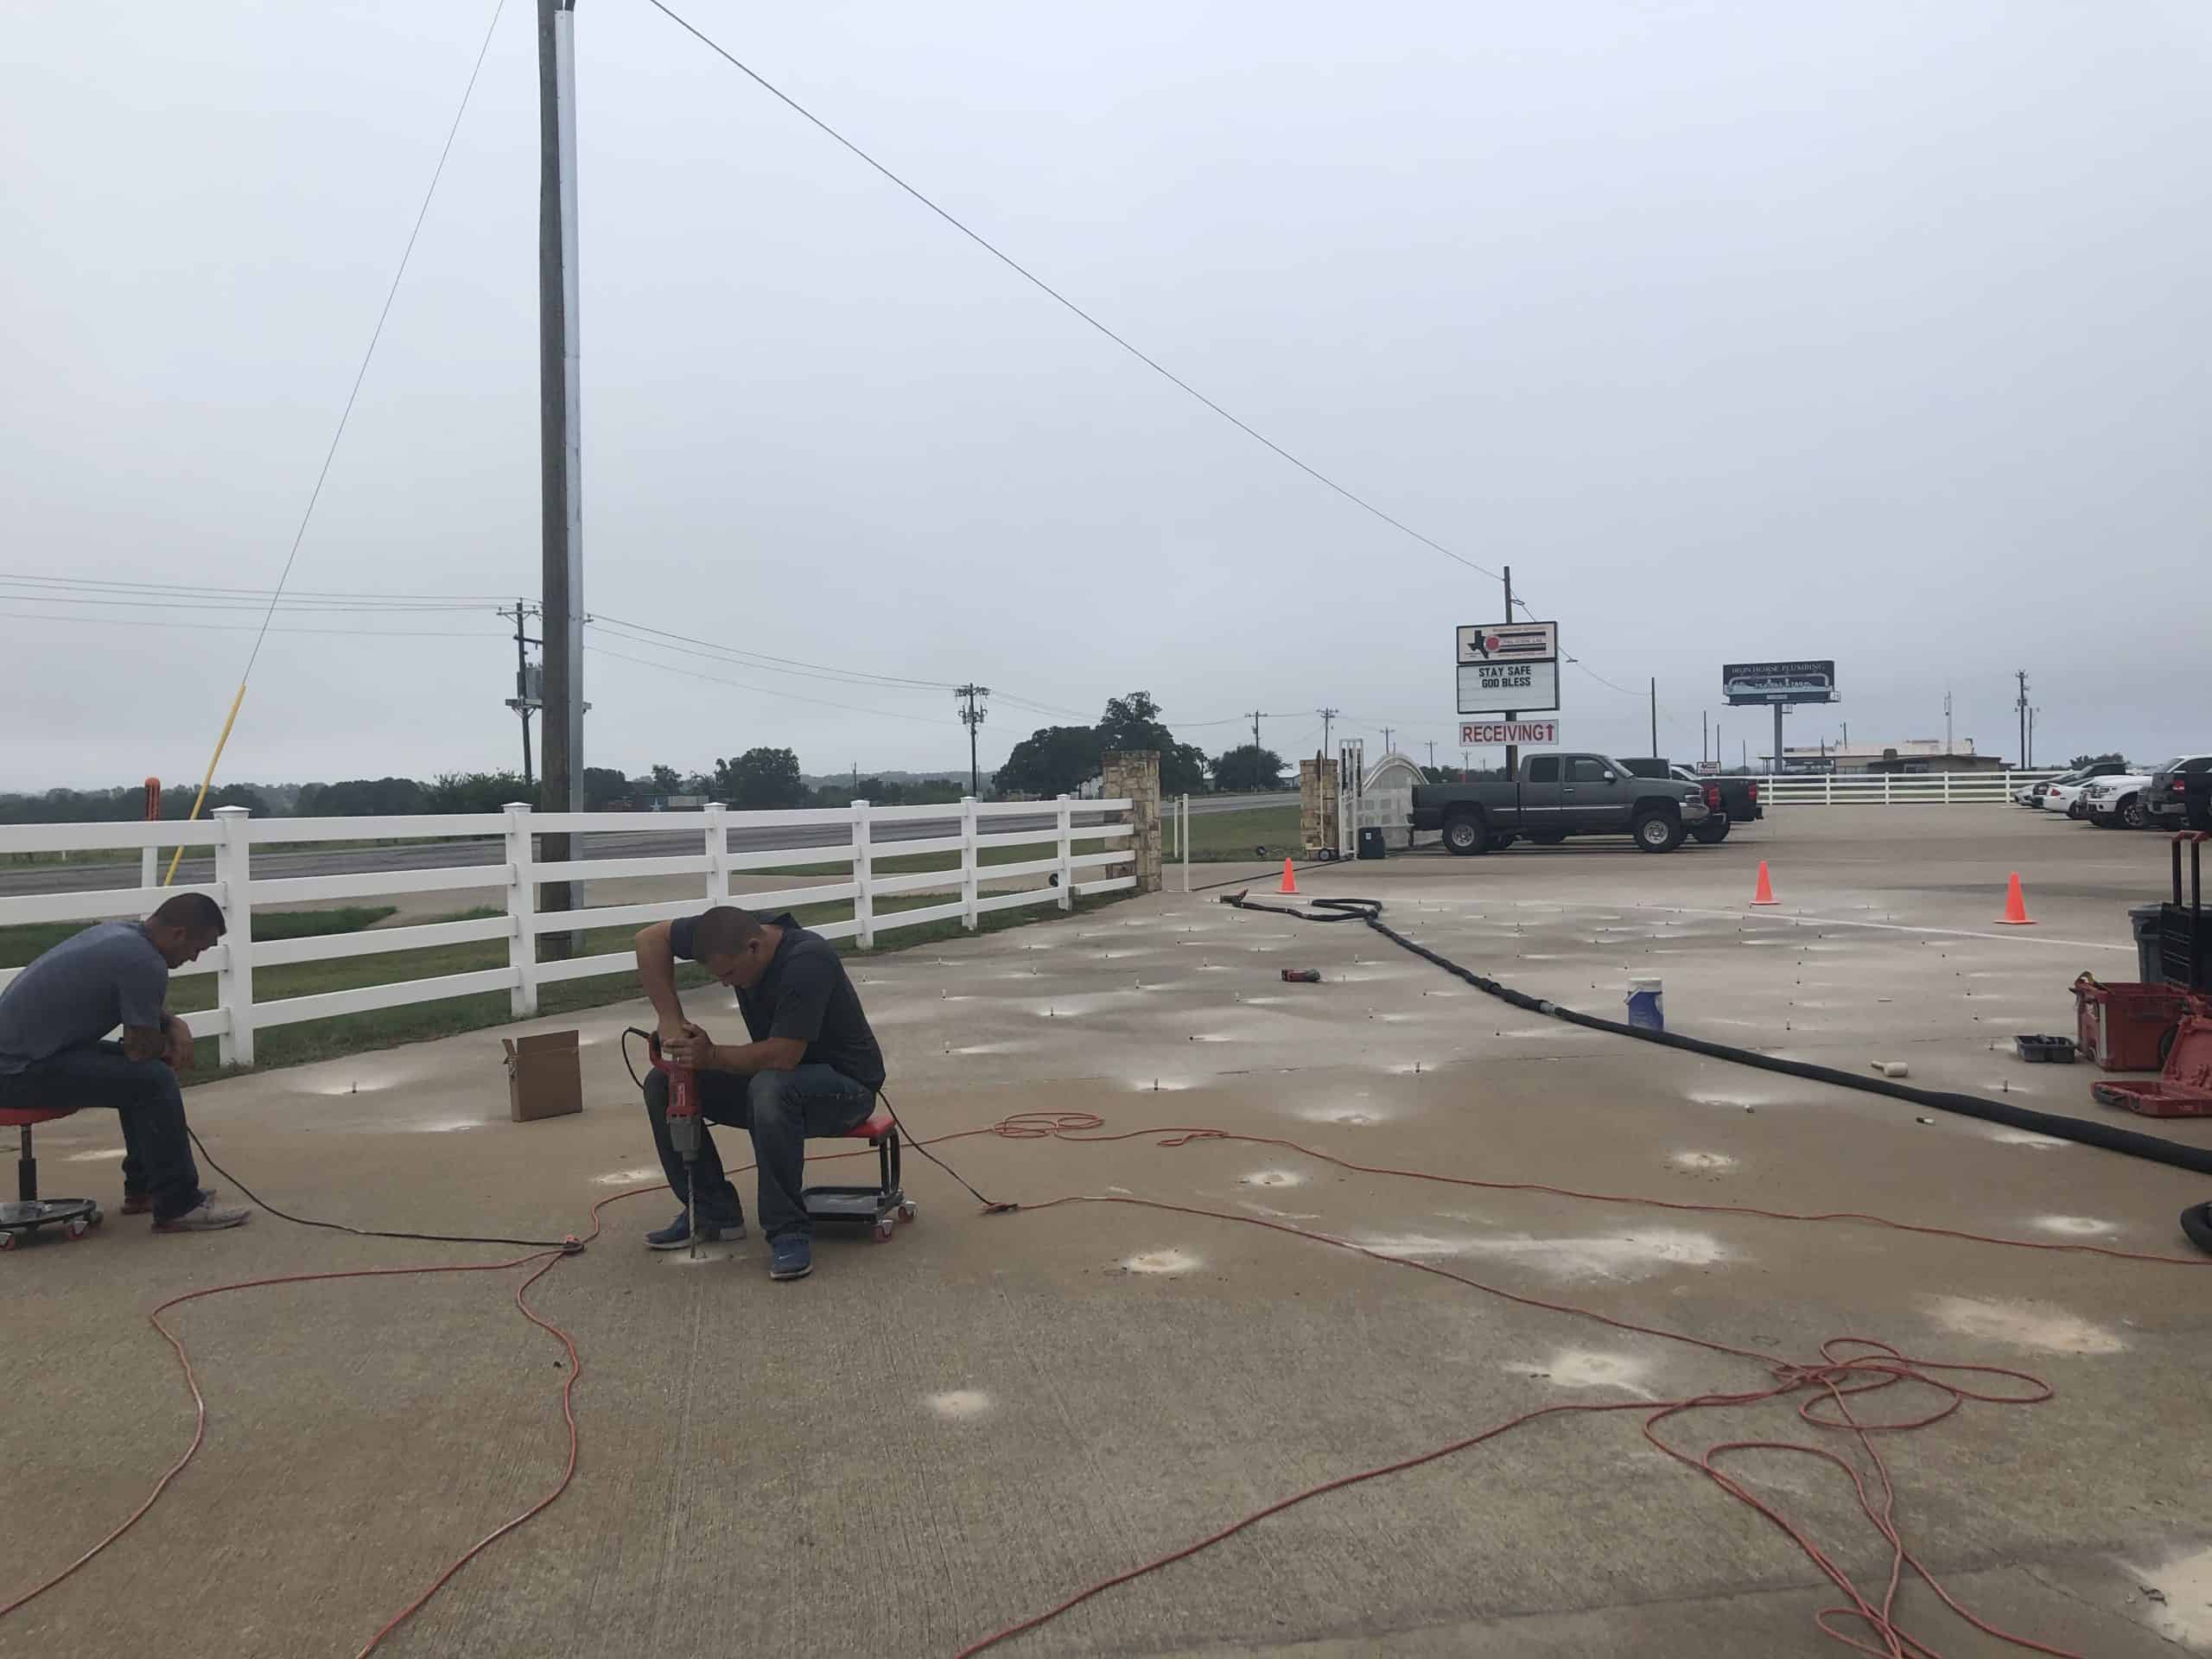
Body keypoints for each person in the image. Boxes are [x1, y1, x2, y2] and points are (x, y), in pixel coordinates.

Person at [633, 904, 885, 1281]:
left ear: (754, 947)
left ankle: (788, 1231)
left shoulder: (806, 959)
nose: (725, 983)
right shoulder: (726, 930)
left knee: (771, 1085)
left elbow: (784, 1056)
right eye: (717, 975)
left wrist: (712, 1055)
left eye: (730, 973)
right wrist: (669, 1017)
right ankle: (712, 1211)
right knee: (664, 1082)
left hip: (845, 1089)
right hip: (780, 1083)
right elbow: (649, 939)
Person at [0, 893, 250, 1232]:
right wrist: (171, 1047)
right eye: (198, 948)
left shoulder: (122, 937)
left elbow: (132, 1009)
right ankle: (178, 1204)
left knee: (138, 1076)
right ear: (178, 934)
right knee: (152, 1080)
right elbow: (139, 1049)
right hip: (16, 1074)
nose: (194, 958)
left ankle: (145, 1189)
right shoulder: (145, 961)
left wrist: (171, 1023)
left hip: (25, 1060)